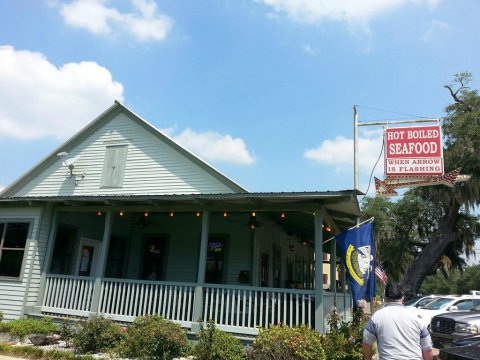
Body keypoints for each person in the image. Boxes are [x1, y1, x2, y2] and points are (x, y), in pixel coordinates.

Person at [362, 282, 433, 360]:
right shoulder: (416, 318)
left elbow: (367, 342)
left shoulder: (377, 317)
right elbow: (427, 348)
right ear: (403, 298)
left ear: (385, 298)